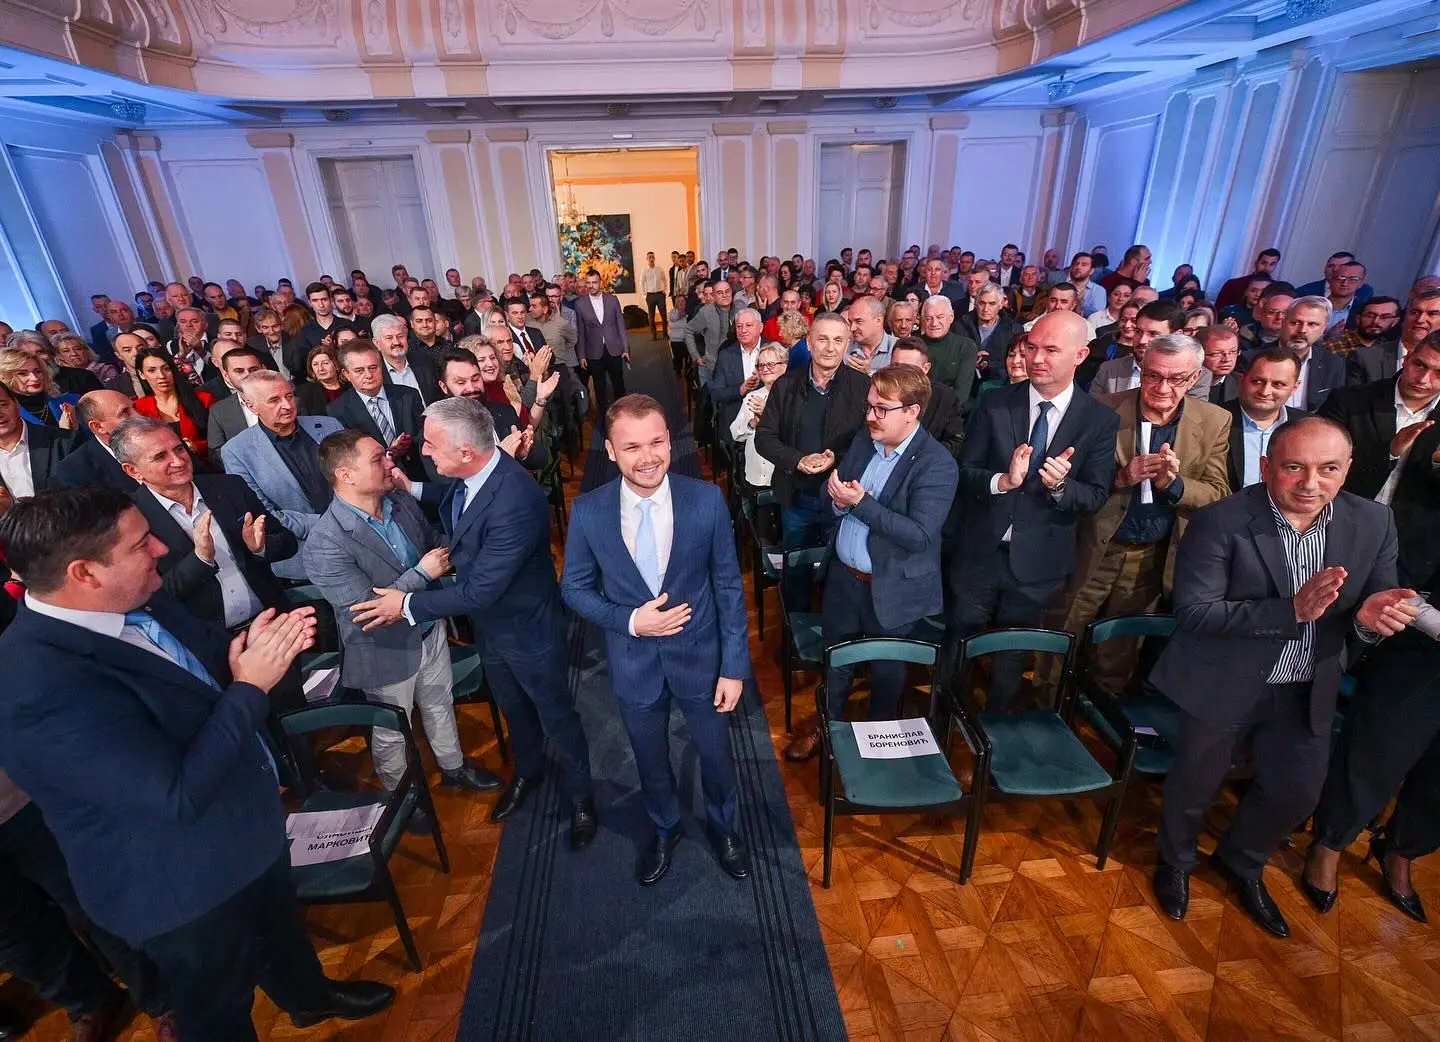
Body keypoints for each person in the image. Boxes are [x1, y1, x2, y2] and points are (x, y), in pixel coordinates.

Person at [0, 487, 394, 1040]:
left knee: (282, 937)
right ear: (84, 573)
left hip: (246, 830)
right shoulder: (36, 686)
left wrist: (245, 650)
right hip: (183, 890)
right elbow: (174, 797)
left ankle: (310, 999)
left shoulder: (132, 594)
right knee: (218, 1013)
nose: (162, 549)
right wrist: (251, 687)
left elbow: (201, 658)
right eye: (141, 544)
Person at [1149, 417, 1418, 938]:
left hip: (1307, 684)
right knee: (1195, 785)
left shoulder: (1373, 521)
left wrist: (1370, 621)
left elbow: (1371, 605)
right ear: (1266, 466)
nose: (1310, 483)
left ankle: (1241, 860)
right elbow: (1195, 612)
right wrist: (1290, 611)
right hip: (1223, 680)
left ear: (1347, 470)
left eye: (1328, 469)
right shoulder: (1220, 520)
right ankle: (1176, 862)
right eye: (1294, 467)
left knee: (1298, 792)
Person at [350, 398, 595, 844]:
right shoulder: (475, 473)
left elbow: (481, 590)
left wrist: (406, 605)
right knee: (514, 708)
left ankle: (582, 798)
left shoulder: (515, 500)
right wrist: (413, 488)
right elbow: (456, 500)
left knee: (556, 717)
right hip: (492, 630)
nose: (424, 451)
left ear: (465, 452)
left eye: (431, 444)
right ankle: (530, 771)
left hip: (529, 632)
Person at [561, 395, 752, 884]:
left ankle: (724, 828)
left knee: (716, 756)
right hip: (634, 662)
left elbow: (729, 587)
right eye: (632, 447)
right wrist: (630, 621)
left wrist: (734, 667)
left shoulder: (706, 499)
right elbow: (574, 589)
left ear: (670, 441)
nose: (648, 457)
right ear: (610, 451)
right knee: (650, 760)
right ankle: (665, 828)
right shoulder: (589, 511)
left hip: (703, 661)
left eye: (657, 442)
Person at [304, 430, 501, 820]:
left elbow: (435, 543)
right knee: (393, 731)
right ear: (346, 475)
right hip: (384, 648)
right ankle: (404, 800)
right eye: (378, 458)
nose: (390, 463)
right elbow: (369, 609)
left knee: (440, 702)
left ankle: (453, 767)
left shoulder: (399, 503)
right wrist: (423, 573)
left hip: (429, 628)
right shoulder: (325, 543)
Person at [945, 311, 1120, 711]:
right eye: (1031, 347)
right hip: (979, 552)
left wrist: (1060, 487)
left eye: (1051, 350)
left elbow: (1095, 496)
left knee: (1012, 655)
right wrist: (1001, 482)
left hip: (1039, 563)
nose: (1036, 358)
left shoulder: (1099, 420)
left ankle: (997, 729)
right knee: (958, 642)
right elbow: (965, 472)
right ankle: (946, 718)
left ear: (1080, 355)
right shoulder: (995, 402)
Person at [785, 364, 958, 761]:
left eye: (882, 408)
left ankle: (878, 746)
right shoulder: (865, 441)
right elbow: (835, 495)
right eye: (869, 406)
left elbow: (920, 535)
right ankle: (826, 726)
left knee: (887, 671)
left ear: (912, 412)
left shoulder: (937, 463)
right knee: (836, 660)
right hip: (844, 579)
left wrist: (860, 503)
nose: (870, 416)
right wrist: (836, 501)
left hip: (893, 587)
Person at [1053, 333, 1232, 696]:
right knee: (1063, 630)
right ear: (1142, 369)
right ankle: (1044, 703)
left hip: (1152, 554)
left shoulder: (1214, 420)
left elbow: (1219, 493)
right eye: (1153, 375)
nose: (1162, 387)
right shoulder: (1102, 407)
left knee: (1120, 647)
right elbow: (1069, 480)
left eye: (1176, 378)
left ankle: (1100, 713)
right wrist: (1121, 477)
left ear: (1195, 378)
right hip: (1094, 544)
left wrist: (1174, 485)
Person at [115, 418, 296, 633]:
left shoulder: (230, 487)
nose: (178, 461)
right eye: (160, 456)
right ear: (133, 471)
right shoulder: (130, 520)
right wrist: (199, 560)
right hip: (210, 641)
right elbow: (150, 598)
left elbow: (288, 544)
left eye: (179, 449)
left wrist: (261, 547)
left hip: (274, 622)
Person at [753, 313, 870, 607]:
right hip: (797, 498)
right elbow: (764, 437)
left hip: (843, 500)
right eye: (823, 339)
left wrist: (836, 460)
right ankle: (795, 625)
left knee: (842, 573)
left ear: (847, 345)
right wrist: (798, 460)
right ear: (808, 342)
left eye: (838, 340)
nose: (830, 347)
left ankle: (832, 626)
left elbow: (871, 443)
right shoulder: (785, 385)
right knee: (796, 571)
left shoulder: (864, 387)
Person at [220, 372, 344, 581]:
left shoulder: (329, 426)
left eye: (289, 396)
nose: (287, 405)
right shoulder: (237, 451)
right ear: (251, 406)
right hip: (304, 558)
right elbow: (263, 514)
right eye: (274, 400)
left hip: (363, 541)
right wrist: (331, 523)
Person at [1318, 333, 1440, 501]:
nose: (1423, 379)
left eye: (1439, 373)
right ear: (1407, 358)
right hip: (1343, 508)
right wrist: (1389, 451)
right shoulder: (1349, 401)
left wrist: (1437, 462)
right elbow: (1320, 463)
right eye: (1419, 365)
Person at [330, 340, 430, 482]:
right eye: (359, 371)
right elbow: (350, 456)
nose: (368, 375)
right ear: (346, 374)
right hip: (376, 482)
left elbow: (425, 434)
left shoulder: (409, 395)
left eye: (373, 367)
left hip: (419, 475)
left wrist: (407, 446)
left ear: (381, 366)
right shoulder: (338, 410)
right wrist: (386, 454)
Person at [1223, 347, 1305, 490]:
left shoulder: (1307, 426)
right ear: (1242, 379)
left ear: (1294, 387)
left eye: (1278, 384)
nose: (1265, 392)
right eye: (1257, 381)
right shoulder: (1215, 420)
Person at [133, 348, 216, 463]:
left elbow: (220, 439)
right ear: (142, 374)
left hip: (206, 464)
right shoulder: (139, 408)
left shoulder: (204, 399)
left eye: (166, 369)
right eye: (152, 370)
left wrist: (197, 446)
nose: (161, 375)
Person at [890, 338, 965, 455]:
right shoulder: (877, 392)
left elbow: (954, 442)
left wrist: (921, 455)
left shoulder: (944, 397)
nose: (901, 372)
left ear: (925, 368)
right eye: (896, 366)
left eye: (909, 368)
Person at [54, 389, 137, 491]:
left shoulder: (154, 436)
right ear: (98, 427)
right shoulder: (76, 470)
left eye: (135, 408)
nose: (139, 416)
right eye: (125, 413)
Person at [729, 343, 787, 489]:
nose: (765, 369)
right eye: (761, 365)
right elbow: (735, 433)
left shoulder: (794, 397)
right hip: (755, 476)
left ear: (784, 366)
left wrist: (767, 414)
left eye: (771, 364)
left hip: (783, 476)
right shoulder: (752, 397)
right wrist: (752, 424)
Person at [574, 268, 630, 414]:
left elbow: (620, 325)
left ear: (601, 282)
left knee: (619, 384)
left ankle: (623, 414)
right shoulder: (580, 304)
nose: (591, 286)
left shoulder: (612, 299)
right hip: (594, 351)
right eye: (588, 283)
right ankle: (604, 417)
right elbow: (580, 332)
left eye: (594, 282)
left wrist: (625, 348)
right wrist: (581, 355)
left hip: (614, 348)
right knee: (600, 388)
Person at [206, 346, 271, 459]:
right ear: (226, 376)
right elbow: (216, 453)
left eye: (253, 369)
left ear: (263, 369)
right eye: (239, 371)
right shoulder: (219, 411)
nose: (247, 375)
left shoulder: (289, 400)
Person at [0, 348, 80, 430]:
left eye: (38, 371)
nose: (34, 378)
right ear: (5, 377)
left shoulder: (71, 401)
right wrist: (65, 433)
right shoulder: (5, 414)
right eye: (22, 374)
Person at [1213, 248, 1281, 311]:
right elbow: (1218, 310)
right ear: (1256, 263)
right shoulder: (1233, 284)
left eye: (1272, 264)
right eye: (1263, 263)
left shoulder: (1276, 289)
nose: (1267, 268)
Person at [1198, 324, 1242, 404]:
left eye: (1232, 352)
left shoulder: (1243, 384)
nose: (1227, 359)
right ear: (1199, 354)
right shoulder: (1184, 384)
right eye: (1216, 354)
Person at [641, 251, 668, 339]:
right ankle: (654, 334)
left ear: (654, 258)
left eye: (652, 257)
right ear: (647, 259)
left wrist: (664, 290)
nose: (651, 259)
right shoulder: (644, 270)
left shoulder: (659, 269)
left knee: (664, 315)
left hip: (660, 294)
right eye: (649, 257)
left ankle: (665, 334)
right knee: (651, 316)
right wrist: (644, 295)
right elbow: (642, 283)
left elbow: (664, 280)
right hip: (650, 296)